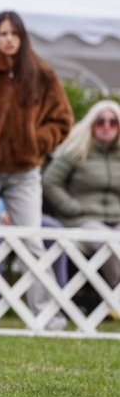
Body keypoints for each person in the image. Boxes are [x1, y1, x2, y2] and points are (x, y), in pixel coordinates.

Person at [0, 11, 73, 329]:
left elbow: (62, 121)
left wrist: (35, 142)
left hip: (25, 172)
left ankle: (45, 316)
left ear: (22, 37)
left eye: (14, 33)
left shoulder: (42, 75)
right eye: (2, 33)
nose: (8, 39)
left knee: (31, 241)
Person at [42, 100, 120, 293]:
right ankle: (116, 293)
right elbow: (49, 182)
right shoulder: (76, 151)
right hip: (84, 219)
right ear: (91, 124)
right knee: (109, 242)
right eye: (100, 121)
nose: (106, 126)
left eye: (113, 122)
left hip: (116, 218)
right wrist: (72, 207)